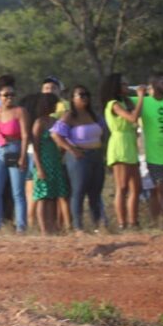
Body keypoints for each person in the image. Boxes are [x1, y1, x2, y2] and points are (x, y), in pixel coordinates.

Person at [51, 86, 106, 232]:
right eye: (81, 95)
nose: (85, 97)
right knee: (79, 191)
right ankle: (78, 227)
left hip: (96, 155)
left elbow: (103, 131)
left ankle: (97, 226)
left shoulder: (93, 115)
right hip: (79, 157)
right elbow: (56, 134)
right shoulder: (69, 116)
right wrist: (71, 149)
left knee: (95, 192)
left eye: (87, 94)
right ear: (73, 98)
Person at [102, 73, 145, 229]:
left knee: (136, 186)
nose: (127, 87)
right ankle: (122, 222)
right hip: (120, 143)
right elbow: (132, 118)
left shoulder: (126, 102)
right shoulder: (113, 104)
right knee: (122, 186)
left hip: (130, 144)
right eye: (124, 84)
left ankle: (133, 221)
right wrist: (140, 97)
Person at [0, 84, 31, 233]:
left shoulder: (19, 111)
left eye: (12, 94)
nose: (9, 98)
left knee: (17, 191)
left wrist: (22, 156)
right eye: (6, 95)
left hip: (14, 149)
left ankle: (21, 226)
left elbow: (26, 135)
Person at [31, 93, 70, 234]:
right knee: (43, 196)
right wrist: (39, 168)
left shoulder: (54, 121)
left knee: (53, 196)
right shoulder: (39, 123)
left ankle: (53, 227)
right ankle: (44, 229)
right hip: (43, 162)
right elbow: (35, 147)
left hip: (55, 162)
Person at [136, 73, 163, 228]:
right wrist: (141, 92)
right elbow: (121, 97)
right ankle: (156, 223)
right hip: (150, 156)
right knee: (155, 191)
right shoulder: (143, 101)